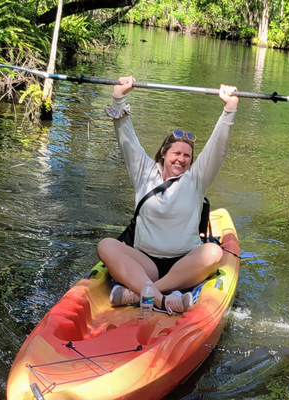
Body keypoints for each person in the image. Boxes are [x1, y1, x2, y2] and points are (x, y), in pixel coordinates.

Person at [97, 76, 239, 314]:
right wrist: (119, 97)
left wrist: (229, 109)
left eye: (187, 156)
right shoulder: (143, 171)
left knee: (214, 252)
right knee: (106, 245)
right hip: (145, 263)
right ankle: (163, 300)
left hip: (184, 263)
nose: (181, 159)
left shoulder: (196, 178)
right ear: (163, 152)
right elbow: (127, 140)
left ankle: (140, 293)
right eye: (177, 153)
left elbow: (217, 148)